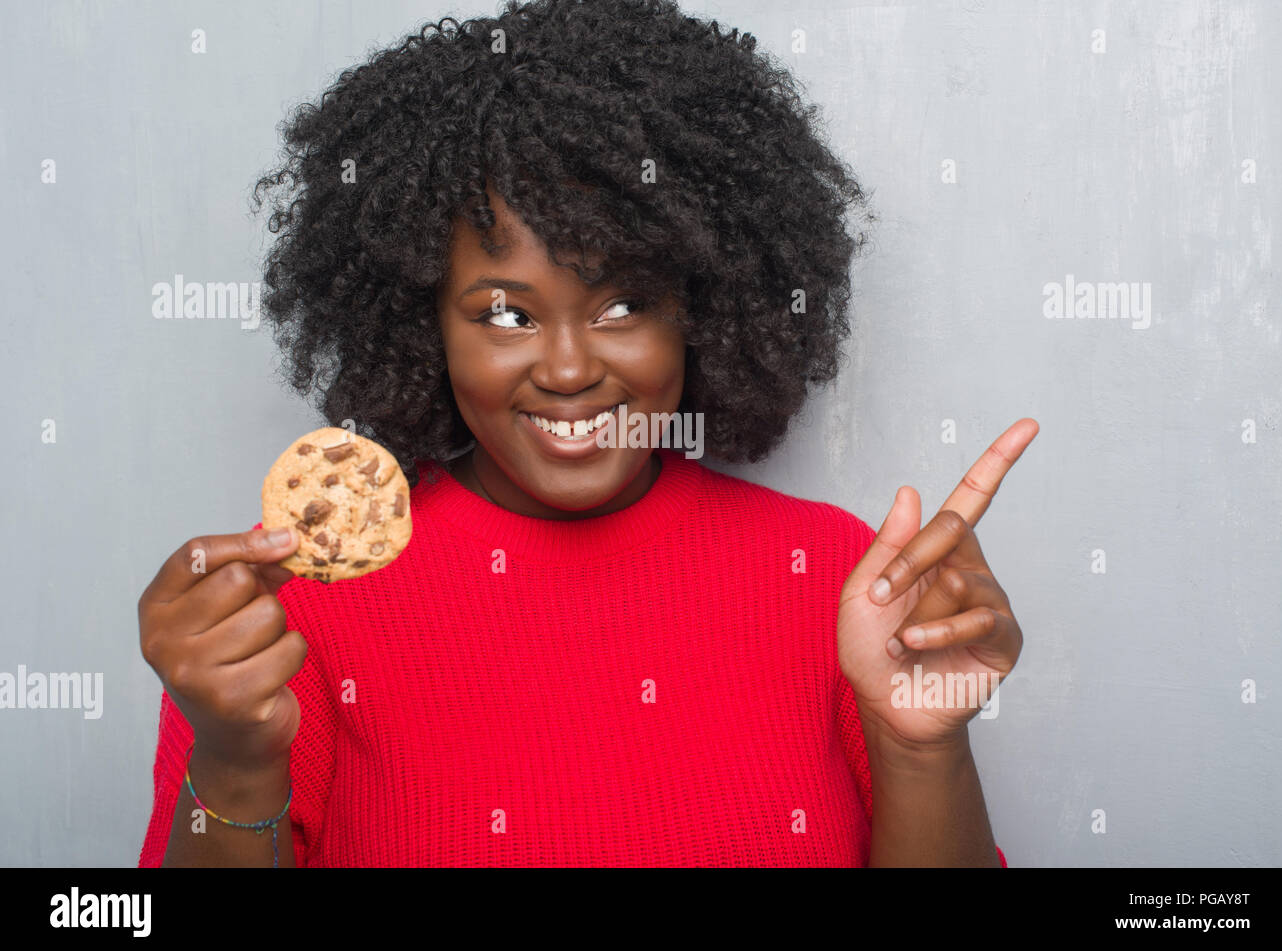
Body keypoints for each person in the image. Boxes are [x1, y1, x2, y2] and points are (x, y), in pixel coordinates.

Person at [137, 0, 1032, 866]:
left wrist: (920, 748)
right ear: (423, 325)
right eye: (505, 315)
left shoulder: (841, 583)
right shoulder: (283, 624)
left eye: (623, 304)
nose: (567, 369)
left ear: (704, 306)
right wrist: (234, 761)